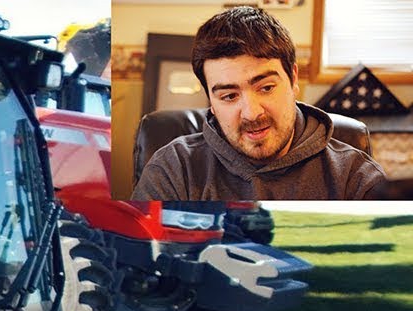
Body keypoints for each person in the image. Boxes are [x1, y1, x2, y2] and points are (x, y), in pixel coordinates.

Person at [132, 7, 387, 200]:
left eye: (266, 88)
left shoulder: (354, 177)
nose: (252, 113)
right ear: (211, 100)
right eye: (229, 96)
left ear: (293, 79)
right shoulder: (173, 170)